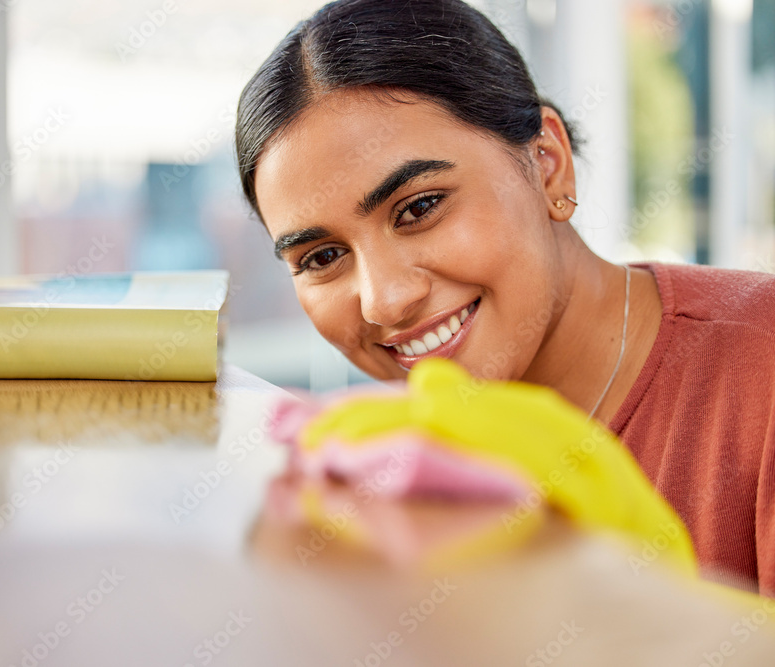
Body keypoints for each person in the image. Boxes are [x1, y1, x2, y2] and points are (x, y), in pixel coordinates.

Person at [235, 0, 775, 595]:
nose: (384, 303)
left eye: (419, 207)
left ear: (548, 166)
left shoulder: (762, 374)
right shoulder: (388, 473)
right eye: (322, 257)